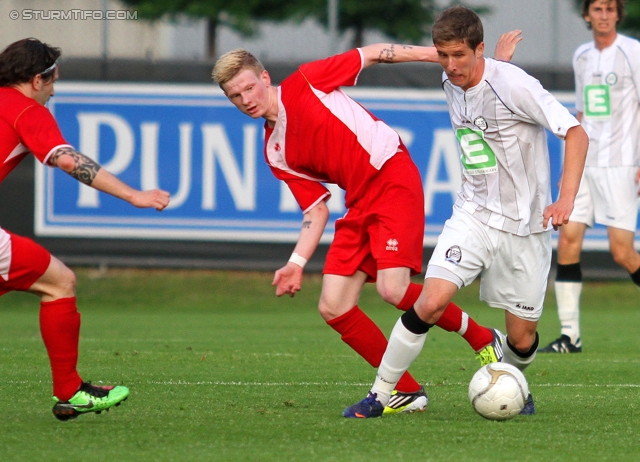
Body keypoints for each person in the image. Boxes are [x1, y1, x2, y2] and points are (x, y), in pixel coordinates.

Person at [212, 33, 519, 415]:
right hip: (359, 200)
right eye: (234, 97)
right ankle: (406, 391)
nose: (246, 101)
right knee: (333, 306)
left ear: (264, 78)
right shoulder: (275, 151)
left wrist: (441, 57)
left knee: (393, 290)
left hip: (390, 175)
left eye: (248, 88)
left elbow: (374, 53)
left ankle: (481, 337)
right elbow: (316, 211)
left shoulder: (306, 82)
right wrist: (295, 263)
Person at [343, 6, 589, 418]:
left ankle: (513, 380)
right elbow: (481, 85)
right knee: (431, 302)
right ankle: (382, 394)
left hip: (525, 227)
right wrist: (487, 62)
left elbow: (577, 133)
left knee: (523, 339)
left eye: (460, 55)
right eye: (444, 55)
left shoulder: (514, 85)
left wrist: (566, 200)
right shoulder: (451, 76)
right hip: (472, 214)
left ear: (478, 50)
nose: (451, 66)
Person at [0, 38, 171, 420]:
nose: (54, 89)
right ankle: (70, 391)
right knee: (59, 281)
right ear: (35, 79)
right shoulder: (27, 110)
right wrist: (133, 195)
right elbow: (66, 159)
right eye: (52, 81)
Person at [540, 0, 640, 354]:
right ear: (587, 14)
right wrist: (570, 168)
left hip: (622, 163)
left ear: (617, 14)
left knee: (621, 251)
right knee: (568, 240)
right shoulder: (581, 55)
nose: (604, 14)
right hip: (586, 164)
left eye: (610, 9)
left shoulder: (633, 52)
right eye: (597, 8)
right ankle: (570, 336)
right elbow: (581, 112)